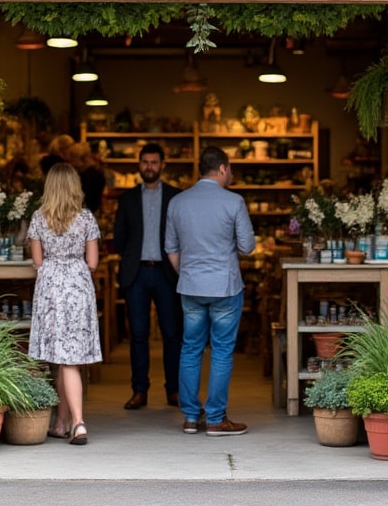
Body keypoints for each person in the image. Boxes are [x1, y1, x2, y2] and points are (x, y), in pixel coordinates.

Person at [165, 145, 255, 437]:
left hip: (190, 285)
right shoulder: (234, 201)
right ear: (223, 169)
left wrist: (190, 274)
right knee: (221, 351)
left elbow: (171, 250)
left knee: (190, 349)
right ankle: (216, 418)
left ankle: (191, 417)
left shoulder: (177, 202)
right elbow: (247, 247)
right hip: (224, 287)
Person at [27, 162, 102, 446]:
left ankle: (77, 422)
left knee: (64, 357)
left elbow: (37, 261)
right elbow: (93, 262)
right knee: (67, 358)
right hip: (78, 287)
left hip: (50, 288)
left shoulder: (38, 217)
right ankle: (63, 423)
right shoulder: (85, 218)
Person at [115, 142, 183, 410]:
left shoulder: (176, 197)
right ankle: (139, 391)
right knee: (139, 334)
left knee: (172, 334)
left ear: (163, 165)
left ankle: (174, 391)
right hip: (137, 273)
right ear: (139, 165)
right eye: (145, 162)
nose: (149, 167)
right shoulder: (127, 198)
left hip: (167, 273)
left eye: (154, 162)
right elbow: (119, 240)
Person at [69, 141, 107, 215]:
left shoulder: (88, 176)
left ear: (81, 158)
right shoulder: (95, 172)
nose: (70, 162)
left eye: (72, 158)